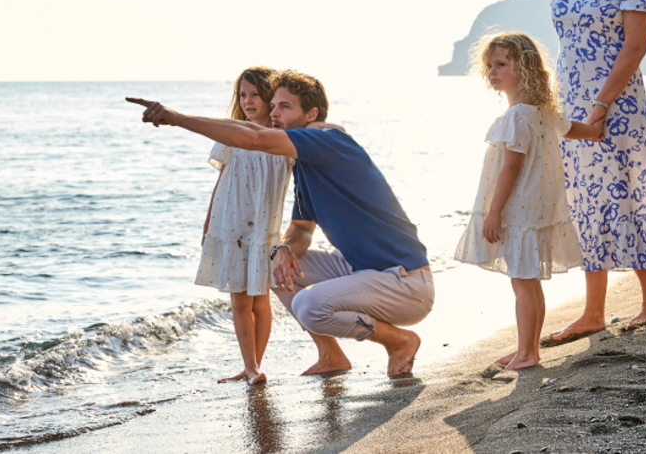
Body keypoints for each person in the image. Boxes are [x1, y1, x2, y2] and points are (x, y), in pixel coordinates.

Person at [127, 70, 432, 378]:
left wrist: (176, 118)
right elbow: (301, 231)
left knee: (310, 306)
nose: (273, 113)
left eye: (284, 107)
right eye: (273, 105)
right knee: (269, 264)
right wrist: (284, 248)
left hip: (405, 282)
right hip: (364, 270)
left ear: (311, 114)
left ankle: (400, 342)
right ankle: (331, 354)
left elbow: (254, 137)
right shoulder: (306, 166)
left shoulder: (327, 140)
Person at [490, 0, 646, 345]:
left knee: (631, 190)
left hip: (619, 105)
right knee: (584, 200)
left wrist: (600, 106)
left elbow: (634, 48)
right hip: (569, 104)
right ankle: (594, 312)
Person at [454, 32, 602, 369]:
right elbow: (571, 129)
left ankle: (527, 353)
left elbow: (511, 168)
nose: (493, 71)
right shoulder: (541, 111)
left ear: (524, 69)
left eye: (502, 64)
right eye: (490, 65)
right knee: (529, 282)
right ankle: (527, 348)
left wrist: (494, 214)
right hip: (537, 206)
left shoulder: (518, 116)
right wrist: (594, 130)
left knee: (523, 285)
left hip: (519, 209)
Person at [196, 66, 291, 384]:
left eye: (255, 95)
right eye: (242, 95)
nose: (248, 101)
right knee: (239, 299)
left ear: (269, 97)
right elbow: (221, 179)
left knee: (261, 299)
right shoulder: (232, 133)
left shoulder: (283, 139)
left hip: (264, 230)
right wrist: (209, 223)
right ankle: (250, 366)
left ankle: (254, 366)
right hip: (230, 226)